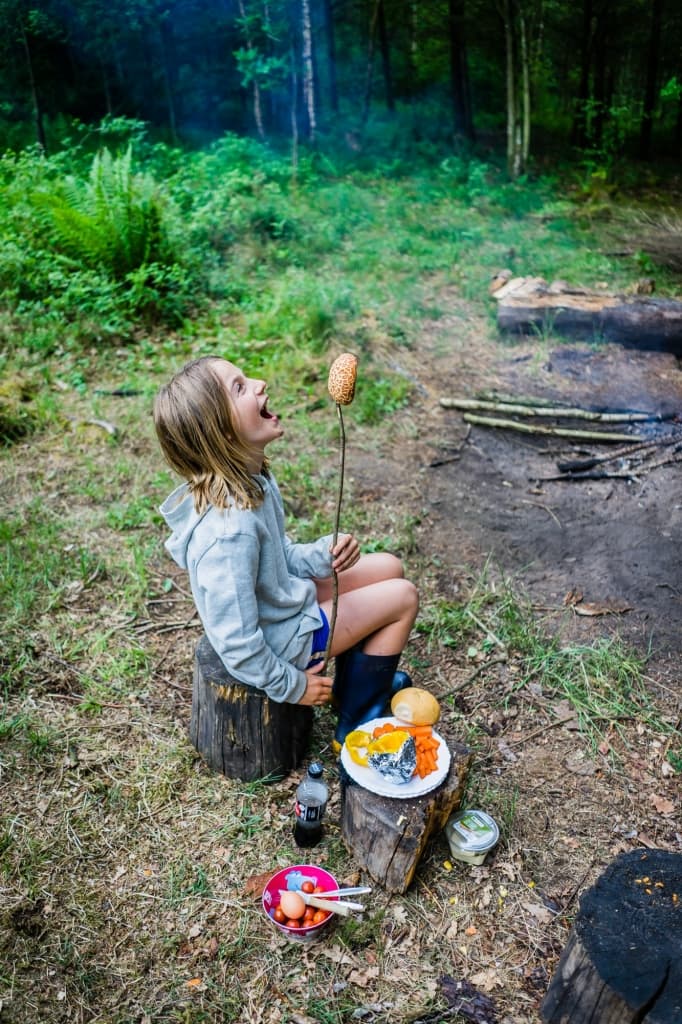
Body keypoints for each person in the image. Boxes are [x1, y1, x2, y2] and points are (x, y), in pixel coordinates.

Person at [153, 356, 419, 748]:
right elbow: (237, 643)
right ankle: (358, 717)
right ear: (220, 430)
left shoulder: (251, 480)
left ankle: (354, 683)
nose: (260, 383)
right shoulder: (229, 534)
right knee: (403, 597)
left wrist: (323, 556)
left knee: (389, 567)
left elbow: (280, 556)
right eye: (240, 387)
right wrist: (292, 685)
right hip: (282, 643)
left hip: (281, 604)